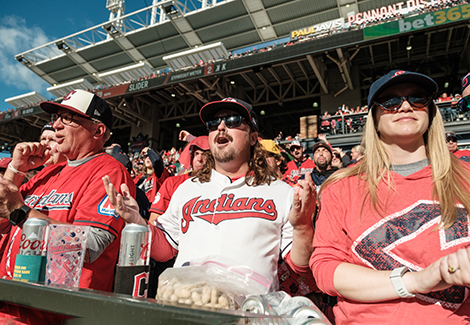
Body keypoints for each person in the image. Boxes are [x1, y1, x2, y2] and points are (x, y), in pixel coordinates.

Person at [104, 97, 316, 292]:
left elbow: (299, 265)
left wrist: (303, 226)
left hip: (249, 314)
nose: (221, 127)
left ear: (253, 138)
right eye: (214, 124)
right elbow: (166, 249)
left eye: (233, 120)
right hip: (184, 306)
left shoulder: (280, 192)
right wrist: (137, 222)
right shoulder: (187, 188)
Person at [310, 70, 470, 323]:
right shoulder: (341, 186)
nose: (405, 106)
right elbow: (325, 269)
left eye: (418, 98)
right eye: (391, 101)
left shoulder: (466, 176)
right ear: (374, 117)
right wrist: (415, 281)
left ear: (430, 111)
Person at [0, 89, 135, 292]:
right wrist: (15, 170)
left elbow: (90, 246)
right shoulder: (47, 173)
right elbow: (3, 223)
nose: (56, 125)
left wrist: (21, 212)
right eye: (57, 118)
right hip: (10, 299)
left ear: (97, 131)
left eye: (68, 118)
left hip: (55, 311)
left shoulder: (110, 173)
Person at [148, 136, 209, 224]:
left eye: (205, 155)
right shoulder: (172, 182)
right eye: (196, 154)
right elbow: (154, 222)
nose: (199, 159)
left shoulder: (220, 183)